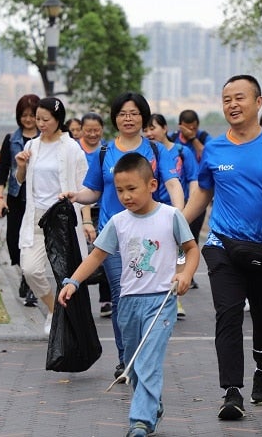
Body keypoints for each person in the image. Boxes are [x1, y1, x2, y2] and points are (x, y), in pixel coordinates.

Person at [183, 74, 262, 420]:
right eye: (226, 100)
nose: (232, 105)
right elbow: (203, 193)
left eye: (239, 98)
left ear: (258, 102)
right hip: (222, 243)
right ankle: (231, 391)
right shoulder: (215, 150)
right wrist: (174, 224)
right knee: (229, 314)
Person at [58, 153, 199, 437]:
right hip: (128, 303)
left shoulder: (171, 216)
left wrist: (184, 274)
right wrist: (73, 281)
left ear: (151, 184)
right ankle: (152, 405)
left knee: (147, 360)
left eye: (132, 189)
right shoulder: (118, 222)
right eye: (120, 190)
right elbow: (97, 256)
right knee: (134, 364)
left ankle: (140, 421)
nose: (125, 196)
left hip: (161, 302)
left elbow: (191, 250)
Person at [65, 92, 185, 381]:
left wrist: (177, 217)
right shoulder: (105, 153)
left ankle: (141, 352)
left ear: (143, 116)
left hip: (150, 237)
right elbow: (93, 191)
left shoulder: (156, 151)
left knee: (146, 294)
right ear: (114, 118)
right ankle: (126, 358)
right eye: (122, 113)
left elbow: (173, 184)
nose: (128, 118)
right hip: (114, 233)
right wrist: (75, 196)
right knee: (122, 294)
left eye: (133, 113)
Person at [16, 97, 89, 335]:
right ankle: (53, 308)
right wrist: (21, 165)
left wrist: (86, 221)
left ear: (58, 120)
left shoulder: (71, 149)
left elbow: (84, 187)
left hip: (61, 218)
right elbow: (20, 180)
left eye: (45, 119)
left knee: (65, 273)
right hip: (36, 216)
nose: (40, 124)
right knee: (30, 269)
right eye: (38, 119)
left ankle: (70, 324)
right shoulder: (32, 147)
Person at [144, 113, 199, 319]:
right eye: (146, 129)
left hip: (179, 210)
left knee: (179, 254)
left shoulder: (182, 152)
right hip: (154, 212)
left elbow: (193, 180)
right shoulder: (147, 153)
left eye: (153, 128)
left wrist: (187, 210)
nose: (149, 133)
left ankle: (176, 298)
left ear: (165, 128)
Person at [0, 94, 40, 307]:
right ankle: (24, 272)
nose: (29, 119)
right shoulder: (10, 140)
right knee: (13, 241)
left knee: (32, 241)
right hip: (16, 197)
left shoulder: (45, 139)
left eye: (32, 115)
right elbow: (2, 170)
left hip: (38, 198)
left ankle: (30, 283)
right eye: (24, 115)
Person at [168, 109, 211, 286]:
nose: (190, 130)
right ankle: (175, 271)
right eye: (187, 128)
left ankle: (189, 273)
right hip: (177, 196)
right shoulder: (172, 138)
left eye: (194, 127)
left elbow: (208, 154)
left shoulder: (203, 136)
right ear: (180, 125)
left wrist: (193, 138)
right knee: (176, 237)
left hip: (198, 193)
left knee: (191, 237)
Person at [77, 111, 114, 318]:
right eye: (88, 130)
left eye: (96, 130)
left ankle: (106, 299)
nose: (92, 134)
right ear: (81, 129)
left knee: (106, 250)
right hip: (81, 205)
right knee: (82, 253)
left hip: (104, 207)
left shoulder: (107, 149)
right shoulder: (75, 149)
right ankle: (78, 294)